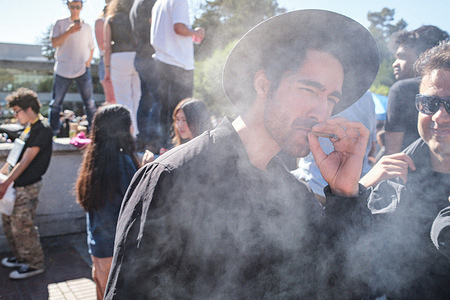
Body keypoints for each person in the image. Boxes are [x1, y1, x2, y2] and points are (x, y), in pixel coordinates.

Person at [104, 10, 379, 299]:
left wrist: (345, 195)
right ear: (263, 84)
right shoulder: (172, 177)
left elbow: (339, 289)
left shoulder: (296, 197)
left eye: (331, 98)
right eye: (309, 90)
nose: (322, 112)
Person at [359, 40, 450, 298]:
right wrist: (354, 193)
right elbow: (356, 265)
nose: (439, 117)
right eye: (430, 104)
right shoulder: (390, 175)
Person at [75, 104, 140, 299]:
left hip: (97, 248)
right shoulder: (124, 163)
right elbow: (136, 206)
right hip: (116, 251)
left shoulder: (93, 160)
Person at [0, 88, 53, 279]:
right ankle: (22, 257)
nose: (15, 116)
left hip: (26, 187)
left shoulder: (42, 128)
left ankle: (34, 263)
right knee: (11, 224)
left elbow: (26, 160)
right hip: (15, 186)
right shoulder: (29, 128)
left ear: (28, 108)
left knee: (23, 226)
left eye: (16, 111)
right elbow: (14, 158)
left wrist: (6, 183)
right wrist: (3, 176)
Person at [293, 90, 377, 204]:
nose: (322, 116)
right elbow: (372, 146)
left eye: (332, 100)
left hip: (315, 185)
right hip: (357, 190)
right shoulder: (367, 96)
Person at [383, 25, 448, 155]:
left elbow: (392, 151)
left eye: (402, 56)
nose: (395, 63)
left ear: (427, 54)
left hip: (411, 170)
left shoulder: (400, 89)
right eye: (428, 103)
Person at [150, 0, 205, 148]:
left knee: (165, 110)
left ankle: (164, 147)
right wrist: (196, 32)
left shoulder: (158, 3)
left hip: (162, 61)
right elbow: (179, 28)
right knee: (183, 111)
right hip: (178, 64)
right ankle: (180, 149)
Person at [49, 0, 97, 135]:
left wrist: (87, 63)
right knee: (56, 104)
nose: (75, 9)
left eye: (78, 6)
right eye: (72, 6)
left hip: (82, 69)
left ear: (81, 7)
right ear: (68, 6)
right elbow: (54, 43)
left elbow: (92, 48)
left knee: (90, 104)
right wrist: (69, 31)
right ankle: (53, 133)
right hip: (62, 69)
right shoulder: (60, 23)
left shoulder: (87, 27)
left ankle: (93, 133)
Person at [104, 0, 141, 137]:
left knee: (123, 100)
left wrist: (107, 69)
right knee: (138, 98)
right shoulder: (135, 16)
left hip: (118, 58)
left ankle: (127, 134)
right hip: (136, 57)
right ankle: (137, 133)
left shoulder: (111, 19)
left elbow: (106, 46)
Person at [129, 0, 160, 150]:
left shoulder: (136, 4)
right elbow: (154, 23)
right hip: (150, 55)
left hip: (141, 55)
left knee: (146, 99)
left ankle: (143, 139)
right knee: (157, 98)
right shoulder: (148, 1)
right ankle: (152, 140)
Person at [95, 0, 116, 104]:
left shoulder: (116, 18)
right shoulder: (101, 21)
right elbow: (103, 45)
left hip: (116, 60)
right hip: (106, 61)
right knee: (111, 99)